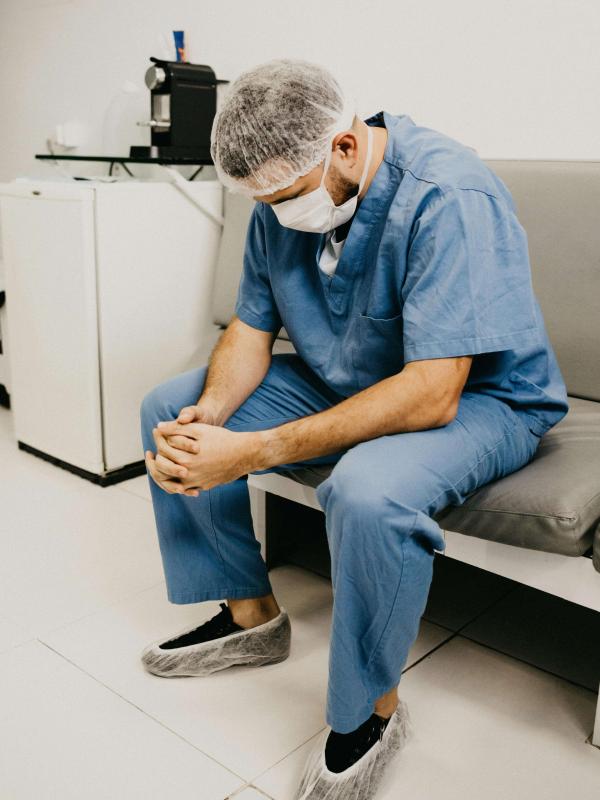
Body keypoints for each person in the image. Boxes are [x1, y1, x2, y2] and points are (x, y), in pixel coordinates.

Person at [139, 58, 569, 799]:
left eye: (286, 198)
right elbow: (251, 323)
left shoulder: (447, 193)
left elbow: (434, 393)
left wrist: (252, 451)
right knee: (169, 407)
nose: (277, 215)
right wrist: (213, 417)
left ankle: (370, 710)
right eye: (263, 202)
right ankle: (251, 616)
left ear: (343, 146)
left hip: (482, 398)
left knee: (366, 489)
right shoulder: (283, 189)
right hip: (349, 372)